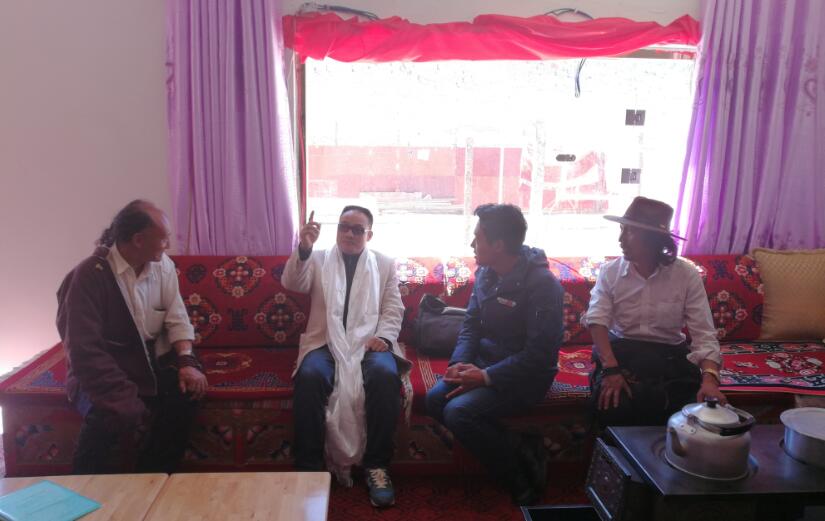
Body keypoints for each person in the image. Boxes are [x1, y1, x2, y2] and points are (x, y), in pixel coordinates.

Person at [425, 204, 565, 506]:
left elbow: (540, 356)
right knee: (435, 400)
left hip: (526, 377)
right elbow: (471, 324)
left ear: (499, 245)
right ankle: (521, 444)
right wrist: (459, 363)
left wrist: (486, 377)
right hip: (485, 362)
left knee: (458, 413)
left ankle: (516, 475)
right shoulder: (487, 273)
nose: (471, 245)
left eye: (477, 238)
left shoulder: (543, 286)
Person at [57, 200, 208, 474]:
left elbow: (177, 318)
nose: (168, 245)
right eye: (163, 238)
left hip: (149, 365)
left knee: (187, 393)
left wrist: (187, 361)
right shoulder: (89, 276)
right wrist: (122, 394)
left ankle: (152, 475)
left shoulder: (163, 266)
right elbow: (84, 350)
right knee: (113, 412)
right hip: (102, 369)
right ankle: (82, 485)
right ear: (139, 240)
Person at [282, 206, 406, 508]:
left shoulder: (384, 264)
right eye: (343, 227)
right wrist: (304, 249)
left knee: (385, 376)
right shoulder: (319, 258)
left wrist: (384, 338)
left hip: (370, 342)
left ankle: (377, 466)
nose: (349, 234)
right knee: (310, 377)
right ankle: (309, 468)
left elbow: (393, 308)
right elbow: (292, 283)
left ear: (369, 235)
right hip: (325, 341)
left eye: (357, 229)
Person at [583, 196, 727, 428]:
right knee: (613, 404)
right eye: (622, 230)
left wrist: (710, 381)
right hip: (621, 355)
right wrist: (611, 369)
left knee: (687, 414)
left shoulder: (686, 275)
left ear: (653, 239)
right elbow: (597, 319)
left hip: (669, 358)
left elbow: (704, 334)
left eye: (630, 232)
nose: (621, 239)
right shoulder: (610, 272)